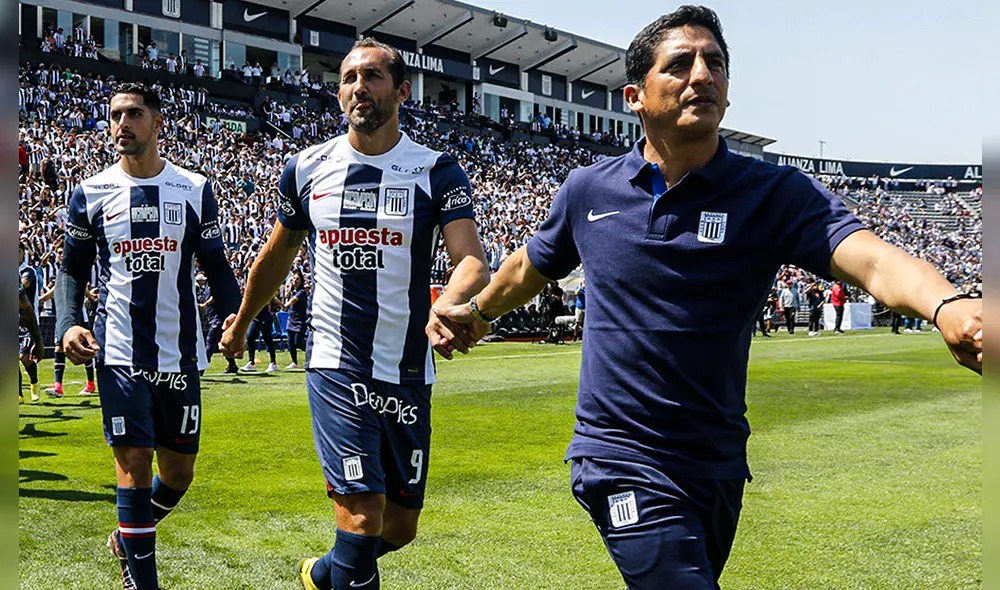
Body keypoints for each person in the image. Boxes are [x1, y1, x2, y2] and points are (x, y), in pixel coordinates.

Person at [433, 7, 983, 589]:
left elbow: (871, 258)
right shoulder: (588, 190)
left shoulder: (774, 193)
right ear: (635, 96)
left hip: (716, 461)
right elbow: (527, 267)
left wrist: (946, 305)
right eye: (679, 65)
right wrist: (476, 313)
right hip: (619, 455)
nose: (702, 75)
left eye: (715, 64)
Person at [219, 37, 488, 590]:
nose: (358, 88)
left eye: (372, 77)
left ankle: (321, 575)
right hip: (336, 363)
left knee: (399, 526)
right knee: (363, 516)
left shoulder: (437, 171)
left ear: (402, 90)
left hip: (409, 368)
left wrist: (448, 305)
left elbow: (471, 261)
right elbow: (275, 256)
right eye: (348, 78)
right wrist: (243, 320)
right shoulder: (306, 168)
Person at [56, 82, 240, 590]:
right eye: (115, 115)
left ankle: (126, 537)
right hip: (118, 351)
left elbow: (217, 267)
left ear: (158, 123)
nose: (121, 124)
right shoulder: (90, 193)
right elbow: (71, 270)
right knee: (133, 464)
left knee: (178, 474)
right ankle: (144, 581)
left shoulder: (195, 189)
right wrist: (69, 322)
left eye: (133, 114)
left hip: (179, 353)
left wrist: (234, 316)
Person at [197, 273, 239, 374]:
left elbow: (216, 296)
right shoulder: (209, 286)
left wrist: (205, 305)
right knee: (221, 343)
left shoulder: (215, 285)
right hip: (215, 317)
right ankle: (232, 365)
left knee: (210, 342)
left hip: (218, 318)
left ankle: (201, 369)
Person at [20, 243, 43, 401]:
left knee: (24, 357)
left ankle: (34, 382)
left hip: (28, 321)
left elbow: (22, 286)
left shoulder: (28, 271)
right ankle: (18, 394)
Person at [242, 298, 280, 373]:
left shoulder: (262, 290)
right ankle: (251, 362)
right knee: (250, 338)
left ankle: (273, 363)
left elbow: (272, 297)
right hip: (256, 317)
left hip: (265, 317)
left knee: (268, 340)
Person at [282, 270, 308, 369]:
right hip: (291, 320)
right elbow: (286, 296)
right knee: (291, 343)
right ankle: (294, 363)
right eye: (294, 279)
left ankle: (313, 352)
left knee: (299, 343)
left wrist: (285, 305)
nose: (295, 280)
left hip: (300, 321)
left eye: (297, 279)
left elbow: (292, 300)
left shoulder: (301, 292)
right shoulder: (294, 291)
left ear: (301, 281)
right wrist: (289, 288)